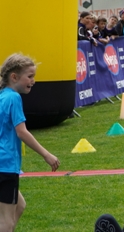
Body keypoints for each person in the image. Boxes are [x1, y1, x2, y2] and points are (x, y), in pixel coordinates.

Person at [0, 54, 60, 232]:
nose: (33, 81)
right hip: (5, 166)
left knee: (20, 206)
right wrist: (46, 155)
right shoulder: (13, 98)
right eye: (30, 76)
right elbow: (22, 132)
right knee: (6, 221)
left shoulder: (3, 97)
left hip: (3, 165)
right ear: (14, 77)